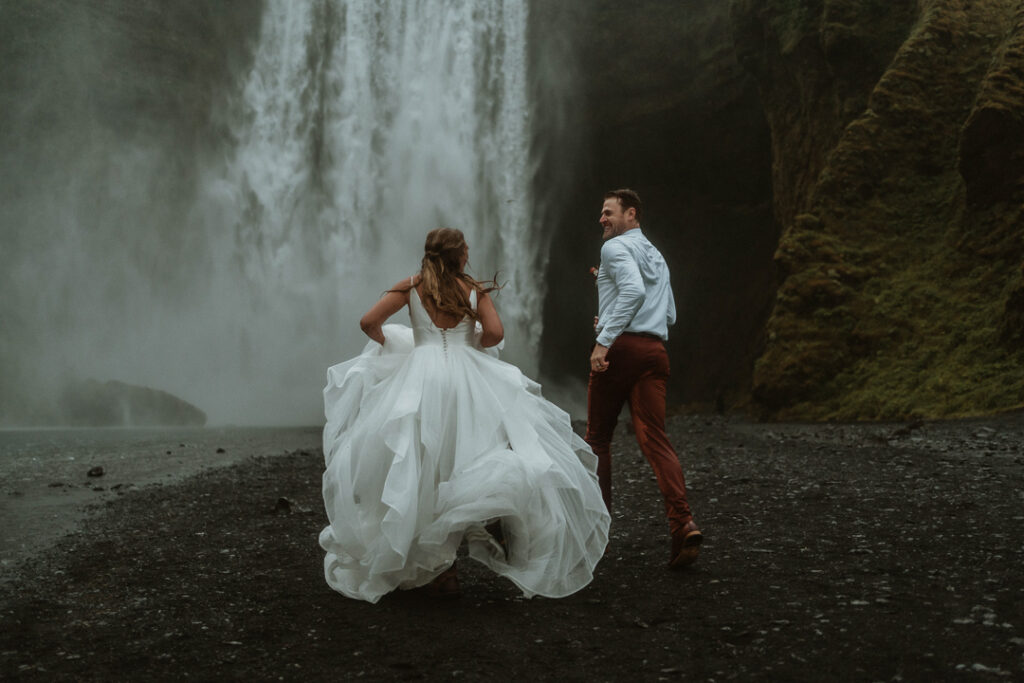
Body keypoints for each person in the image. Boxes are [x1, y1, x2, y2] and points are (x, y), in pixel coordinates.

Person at [320, 227, 610, 603]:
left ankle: (442, 569)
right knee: (470, 459)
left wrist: (391, 346)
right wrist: (469, 343)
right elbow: (493, 333)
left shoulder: (411, 287)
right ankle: (489, 520)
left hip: (419, 379)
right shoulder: (473, 289)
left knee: (423, 468)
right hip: (466, 380)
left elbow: (367, 322)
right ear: (458, 255)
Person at [585, 189, 703, 569]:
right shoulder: (656, 255)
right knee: (655, 440)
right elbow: (668, 314)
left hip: (622, 350)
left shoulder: (614, 249)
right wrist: (609, 308)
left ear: (630, 214)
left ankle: (595, 532)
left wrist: (604, 340)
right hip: (655, 351)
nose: (602, 219)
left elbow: (632, 291)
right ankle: (683, 523)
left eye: (608, 212)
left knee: (598, 439)